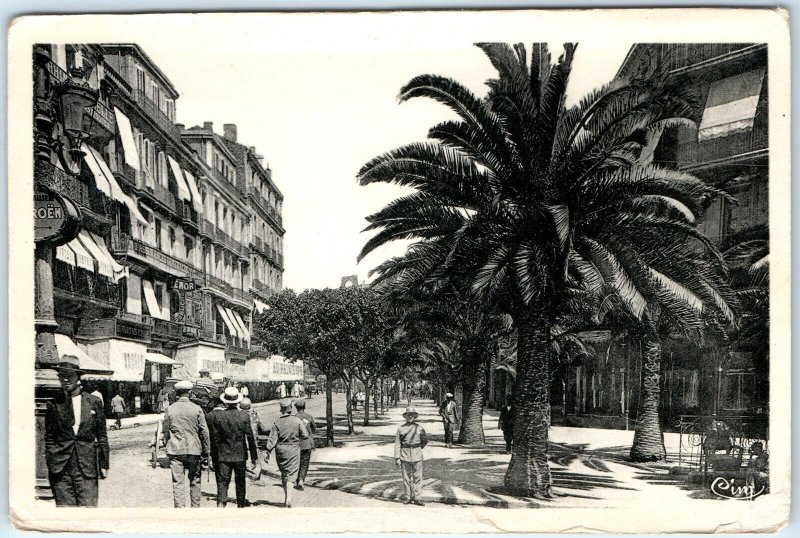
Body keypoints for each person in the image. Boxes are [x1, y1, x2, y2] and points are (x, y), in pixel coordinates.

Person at [44, 354, 109, 506]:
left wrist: (104, 464)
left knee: (88, 510)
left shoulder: (93, 402)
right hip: (61, 469)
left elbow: (102, 436)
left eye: (69, 375)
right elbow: (49, 436)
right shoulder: (54, 404)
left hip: (86, 468)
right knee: (66, 514)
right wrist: (52, 459)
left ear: (78, 377)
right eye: (62, 376)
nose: (65, 379)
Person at [161, 380, 211, 508]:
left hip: (176, 451)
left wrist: (167, 442)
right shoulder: (197, 409)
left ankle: (180, 510)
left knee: (177, 482)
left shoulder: (170, 409)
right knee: (195, 481)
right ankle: (195, 508)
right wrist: (206, 451)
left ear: (177, 393)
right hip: (194, 450)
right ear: (190, 393)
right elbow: (204, 432)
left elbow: (165, 430)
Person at [206, 387, 258, 508]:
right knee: (240, 481)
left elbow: (215, 438)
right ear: (238, 402)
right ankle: (240, 504)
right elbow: (250, 437)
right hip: (240, 455)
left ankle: (221, 503)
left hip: (223, 454)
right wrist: (254, 458)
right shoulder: (244, 416)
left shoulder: (219, 417)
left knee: (223, 481)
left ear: (225, 401)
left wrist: (213, 456)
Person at [264, 399, 309, 507]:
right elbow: (305, 435)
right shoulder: (297, 420)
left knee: (284, 473)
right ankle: (288, 499)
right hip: (293, 449)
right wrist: (304, 425)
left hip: (280, 450)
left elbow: (272, 439)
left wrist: (268, 451)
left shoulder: (277, 421)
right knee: (292, 474)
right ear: (291, 408)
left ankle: (286, 498)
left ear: (281, 409)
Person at [394, 406, 428, 506]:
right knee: (406, 478)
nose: (410, 416)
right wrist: (397, 457)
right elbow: (397, 444)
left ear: (414, 416)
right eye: (408, 415)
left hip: (417, 455)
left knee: (418, 477)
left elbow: (424, 441)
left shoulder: (420, 428)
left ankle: (417, 498)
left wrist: (417, 448)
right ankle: (408, 497)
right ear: (405, 416)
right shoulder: (401, 429)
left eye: (412, 415)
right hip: (405, 455)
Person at [293, 399, 317, 490]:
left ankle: (295, 480)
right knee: (305, 463)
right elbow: (314, 428)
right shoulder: (309, 417)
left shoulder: (294, 418)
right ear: (304, 407)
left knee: (296, 463)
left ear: (296, 408)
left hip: (297, 444)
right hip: (307, 443)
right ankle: (301, 480)